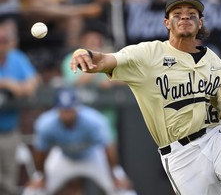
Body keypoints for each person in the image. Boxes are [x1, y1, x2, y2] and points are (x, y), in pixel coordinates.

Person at [70, 0, 221, 194]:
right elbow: (106, 60)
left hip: (216, 139)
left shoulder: (216, 64)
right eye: (177, 14)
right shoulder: (147, 54)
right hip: (181, 155)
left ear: (200, 23)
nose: (185, 18)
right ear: (166, 22)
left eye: (192, 15)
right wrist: (85, 52)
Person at [23, 88, 136, 195]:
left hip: (92, 156)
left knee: (123, 190)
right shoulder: (46, 123)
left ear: (77, 108)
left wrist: (114, 176)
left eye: (70, 109)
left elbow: (108, 148)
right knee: (34, 191)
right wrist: (42, 177)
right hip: (63, 157)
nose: (67, 114)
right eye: (63, 110)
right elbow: (40, 152)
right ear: (57, 109)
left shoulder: (93, 120)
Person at [0, 18, 40, 195]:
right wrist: (7, 83)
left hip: (8, 130)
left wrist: (19, 86)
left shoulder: (16, 57)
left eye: (5, 41)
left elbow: (33, 83)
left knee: (8, 184)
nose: (3, 45)